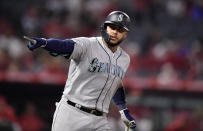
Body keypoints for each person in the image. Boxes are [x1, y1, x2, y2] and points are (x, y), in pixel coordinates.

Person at [24, 11, 136, 131]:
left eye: (120, 30)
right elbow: (64, 46)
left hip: (100, 120)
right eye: (112, 27)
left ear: (125, 34)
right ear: (104, 27)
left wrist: (123, 110)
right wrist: (45, 43)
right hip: (71, 113)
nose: (115, 32)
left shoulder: (125, 59)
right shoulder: (87, 44)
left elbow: (116, 83)